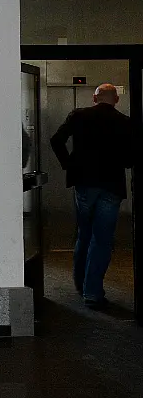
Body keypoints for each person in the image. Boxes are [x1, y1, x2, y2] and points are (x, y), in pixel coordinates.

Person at [50, 83, 133, 309]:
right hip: (111, 185)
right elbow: (130, 157)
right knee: (102, 239)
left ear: (94, 99)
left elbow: (56, 140)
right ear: (116, 100)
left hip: (84, 183)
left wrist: (69, 165)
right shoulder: (125, 122)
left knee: (84, 234)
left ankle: (80, 284)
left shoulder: (78, 116)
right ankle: (92, 292)